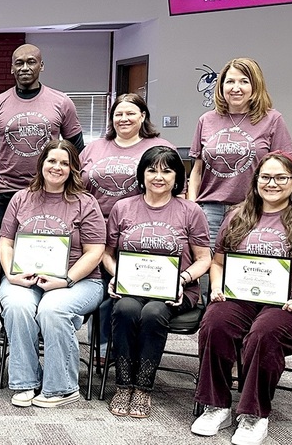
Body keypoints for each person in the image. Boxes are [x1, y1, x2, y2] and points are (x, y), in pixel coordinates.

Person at [191, 153, 292, 445]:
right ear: (256, 180)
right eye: (265, 177)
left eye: (281, 177)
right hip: (247, 295)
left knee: (265, 331)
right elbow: (219, 262)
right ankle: (216, 405)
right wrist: (219, 286)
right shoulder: (237, 215)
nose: (272, 183)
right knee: (215, 321)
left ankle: (253, 414)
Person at [100, 146, 210, 418]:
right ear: (142, 174)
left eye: (167, 170)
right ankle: (124, 384)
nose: (158, 176)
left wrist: (183, 279)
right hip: (132, 287)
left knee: (153, 312)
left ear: (177, 177)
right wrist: (117, 275)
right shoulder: (122, 207)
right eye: (151, 169)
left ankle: (144, 387)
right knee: (125, 309)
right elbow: (106, 253)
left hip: (175, 291)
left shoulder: (190, 210)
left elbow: (204, 259)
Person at [0, 139, 104, 408]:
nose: (57, 167)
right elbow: (6, 242)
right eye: (52, 161)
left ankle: (63, 387)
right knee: (17, 304)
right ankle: (26, 381)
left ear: (73, 169)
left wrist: (66, 279)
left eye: (64, 163)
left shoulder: (85, 202)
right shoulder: (21, 199)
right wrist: (11, 275)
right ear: (41, 163)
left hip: (79, 280)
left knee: (52, 310)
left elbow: (94, 251)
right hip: (26, 277)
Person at [80, 93, 174, 357]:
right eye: (118, 113)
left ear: (143, 116)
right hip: (94, 228)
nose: (124, 118)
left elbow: (172, 190)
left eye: (131, 112)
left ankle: (127, 351)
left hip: (139, 229)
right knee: (101, 286)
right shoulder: (94, 148)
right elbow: (78, 187)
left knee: (125, 292)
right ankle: (101, 349)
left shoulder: (159, 146)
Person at [188, 58, 292, 244]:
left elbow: (286, 169)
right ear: (221, 86)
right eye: (230, 81)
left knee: (243, 268)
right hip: (210, 210)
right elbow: (197, 170)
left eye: (244, 81)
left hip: (253, 208)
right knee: (207, 268)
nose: (235, 88)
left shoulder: (272, 119)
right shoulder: (206, 120)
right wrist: (191, 207)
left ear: (255, 85)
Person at [0, 44, 83, 225]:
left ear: (41, 66)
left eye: (31, 62)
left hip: (50, 188)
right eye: (19, 63)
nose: (25, 68)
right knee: (5, 247)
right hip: (6, 191)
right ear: (12, 68)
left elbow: (77, 150)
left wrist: (75, 186)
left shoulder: (62, 102)